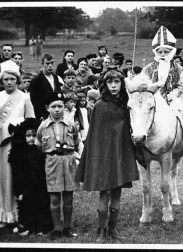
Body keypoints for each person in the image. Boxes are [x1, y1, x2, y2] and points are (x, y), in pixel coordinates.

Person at [75, 69, 139, 243]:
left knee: (117, 193)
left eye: (117, 82)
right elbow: (95, 137)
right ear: (104, 84)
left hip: (121, 153)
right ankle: (101, 229)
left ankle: (113, 228)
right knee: (105, 193)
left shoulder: (126, 104)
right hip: (104, 156)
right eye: (110, 82)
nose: (113, 85)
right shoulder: (100, 106)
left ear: (121, 84)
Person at [0, 65, 35, 227]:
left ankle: (21, 215)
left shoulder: (24, 97)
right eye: (6, 79)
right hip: (2, 144)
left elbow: (31, 120)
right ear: (1, 81)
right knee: (4, 178)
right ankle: (5, 215)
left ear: (17, 80)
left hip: (20, 145)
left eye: (12, 79)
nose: (9, 82)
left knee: (20, 178)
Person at [35, 91, 80, 240]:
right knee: (54, 199)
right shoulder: (43, 126)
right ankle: (56, 228)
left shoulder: (71, 124)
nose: (57, 110)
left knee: (68, 198)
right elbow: (39, 144)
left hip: (68, 161)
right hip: (52, 162)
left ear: (64, 107)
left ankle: (66, 228)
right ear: (48, 108)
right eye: (53, 106)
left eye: (60, 106)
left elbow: (77, 141)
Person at [8, 118, 53, 236]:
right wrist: (18, 191)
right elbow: (16, 174)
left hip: (40, 185)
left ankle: (42, 227)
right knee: (26, 205)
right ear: (23, 136)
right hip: (26, 186)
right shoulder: (19, 153)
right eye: (28, 136)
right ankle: (27, 226)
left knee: (42, 204)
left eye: (34, 135)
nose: (31, 138)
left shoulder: (41, 151)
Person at [142, 26, 183, 103]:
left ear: (172, 52)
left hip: (173, 101)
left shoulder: (179, 69)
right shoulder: (148, 68)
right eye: (160, 52)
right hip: (152, 101)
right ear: (156, 53)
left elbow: (181, 87)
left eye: (166, 52)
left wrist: (170, 96)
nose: (163, 55)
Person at [30, 53, 62, 121]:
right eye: (47, 63)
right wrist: (41, 115)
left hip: (56, 113)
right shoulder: (36, 81)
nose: (50, 66)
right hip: (43, 116)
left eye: (52, 63)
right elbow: (35, 102)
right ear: (42, 64)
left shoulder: (55, 77)